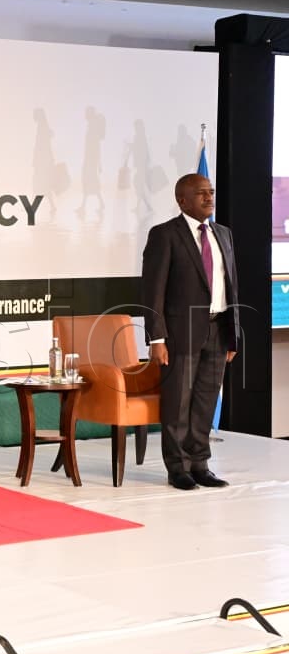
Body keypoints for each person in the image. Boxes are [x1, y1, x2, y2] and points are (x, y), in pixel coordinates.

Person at [142, 173, 239, 490]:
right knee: (177, 402)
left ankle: (200, 464)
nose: (209, 197)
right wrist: (156, 338)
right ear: (182, 199)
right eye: (201, 193)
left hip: (218, 328)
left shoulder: (223, 234)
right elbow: (152, 290)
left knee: (205, 401)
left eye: (211, 191)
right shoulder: (164, 235)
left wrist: (233, 333)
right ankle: (178, 468)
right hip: (179, 334)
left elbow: (231, 288)